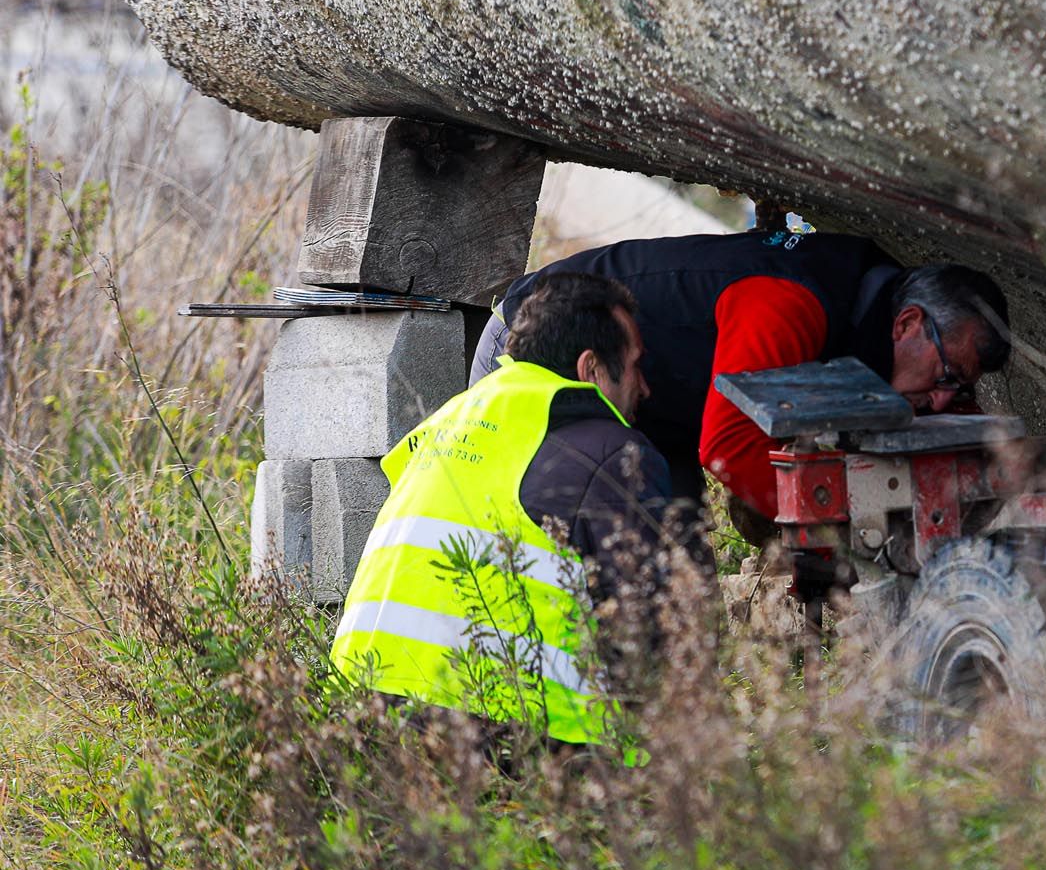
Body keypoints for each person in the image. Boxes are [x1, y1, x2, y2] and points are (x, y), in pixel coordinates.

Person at [333, 271, 704, 745]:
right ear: (591, 368)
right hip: (498, 738)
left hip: (360, 711)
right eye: (635, 366)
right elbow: (649, 635)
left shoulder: (451, 420)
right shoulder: (612, 453)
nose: (645, 387)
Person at [472, 230, 1010, 530]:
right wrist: (834, 530)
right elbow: (728, 445)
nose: (940, 399)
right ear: (908, 324)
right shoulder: (789, 303)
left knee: (677, 583)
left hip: (655, 409)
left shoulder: (864, 312)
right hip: (542, 353)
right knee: (560, 560)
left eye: (957, 388)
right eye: (947, 376)